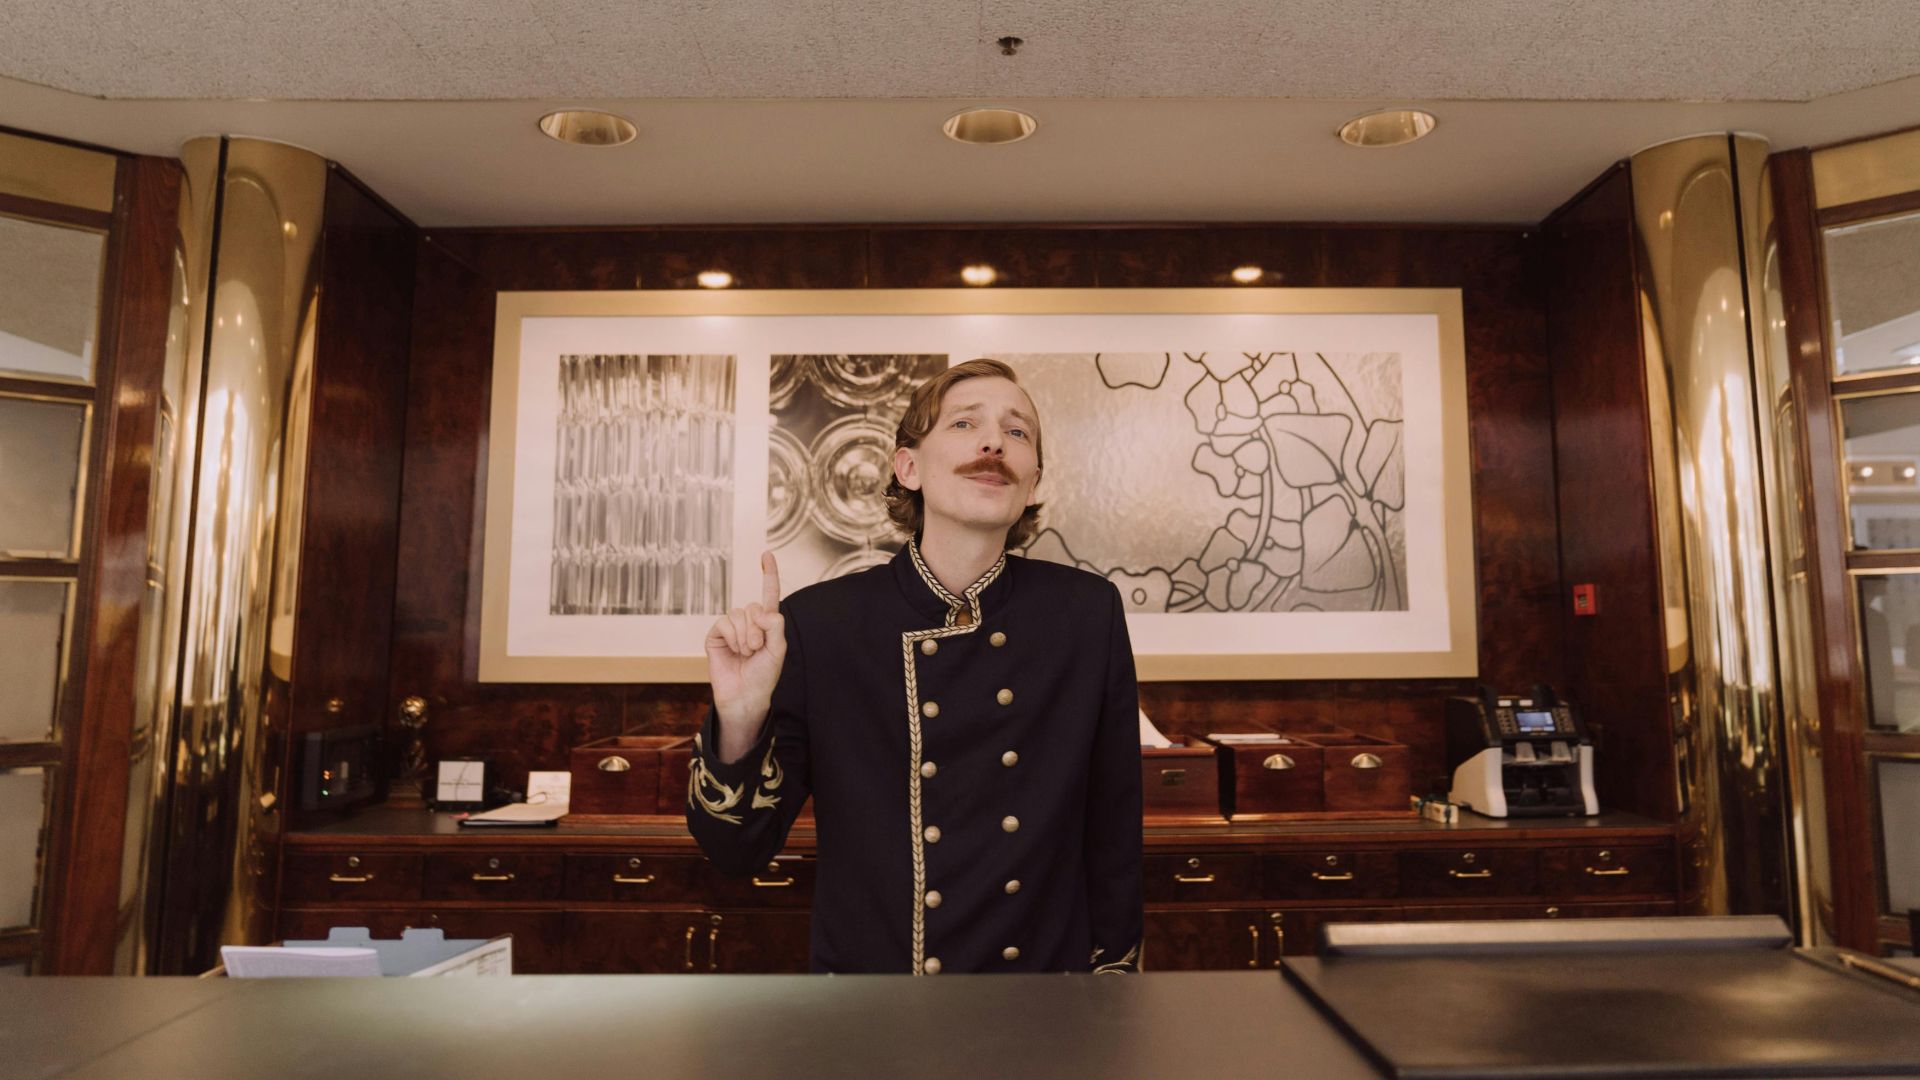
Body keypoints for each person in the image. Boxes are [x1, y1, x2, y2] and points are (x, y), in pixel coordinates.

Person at [689, 357, 1143, 975]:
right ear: (908, 468)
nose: (993, 443)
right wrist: (741, 720)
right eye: (964, 424)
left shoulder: (1084, 614)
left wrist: (1111, 988)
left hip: (1040, 998)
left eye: (1018, 432)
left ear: (1033, 481)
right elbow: (735, 849)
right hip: (877, 1003)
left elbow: (1114, 831)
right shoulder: (821, 624)